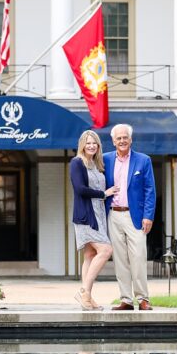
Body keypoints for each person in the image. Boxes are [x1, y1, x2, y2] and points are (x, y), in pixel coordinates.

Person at [103, 123, 156, 310]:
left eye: (125, 137)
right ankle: (126, 299)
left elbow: (150, 190)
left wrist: (148, 216)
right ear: (113, 141)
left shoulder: (143, 160)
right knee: (120, 259)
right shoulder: (106, 159)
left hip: (136, 216)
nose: (122, 140)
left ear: (131, 139)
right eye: (118, 138)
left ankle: (143, 299)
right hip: (113, 215)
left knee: (138, 257)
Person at [70, 130, 119, 310]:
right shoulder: (77, 163)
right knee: (106, 250)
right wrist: (103, 193)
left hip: (99, 215)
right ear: (82, 144)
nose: (91, 146)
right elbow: (80, 189)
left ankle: (87, 299)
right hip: (85, 216)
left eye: (95, 143)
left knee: (90, 255)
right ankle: (84, 292)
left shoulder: (97, 164)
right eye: (88, 143)